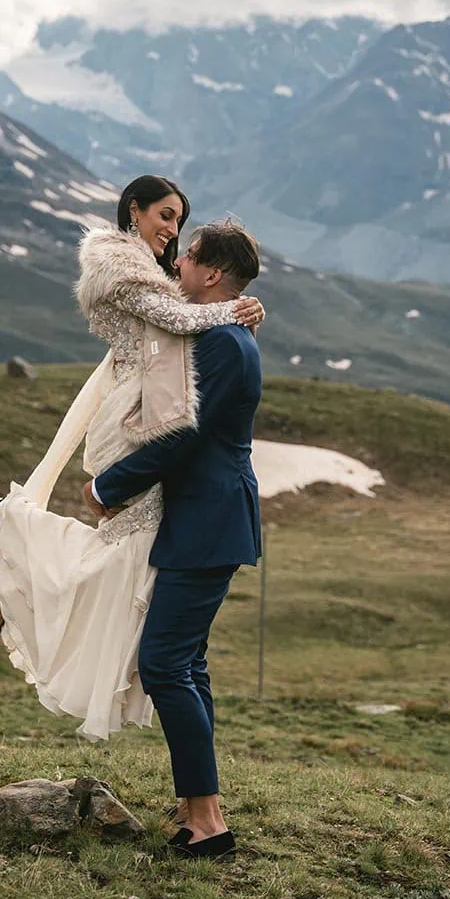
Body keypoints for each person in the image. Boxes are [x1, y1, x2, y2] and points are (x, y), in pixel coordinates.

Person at [0, 176, 263, 753]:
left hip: (148, 418)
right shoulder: (115, 268)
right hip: (134, 428)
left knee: (121, 566)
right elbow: (177, 321)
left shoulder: (157, 275)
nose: (174, 234)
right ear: (133, 210)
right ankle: (17, 536)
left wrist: (236, 305)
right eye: (166, 217)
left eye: (181, 225)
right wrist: (235, 310)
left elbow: (185, 307)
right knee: (118, 565)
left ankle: (17, 537)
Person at [84, 221, 263, 862]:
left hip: (206, 521)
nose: (179, 262)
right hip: (212, 519)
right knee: (188, 663)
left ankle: (208, 823)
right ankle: (196, 805)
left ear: (212, 274)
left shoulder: (222, 344)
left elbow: (183, 434)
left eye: (189, 256)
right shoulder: (228, 332)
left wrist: (109, 486)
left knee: (164, 663)